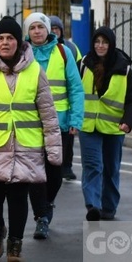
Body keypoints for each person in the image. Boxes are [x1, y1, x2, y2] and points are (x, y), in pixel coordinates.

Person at [0, 16, 62, 262]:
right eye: (0, 38)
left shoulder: (35, 71)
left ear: (18, 43)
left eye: (10, 38)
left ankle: (15, 243)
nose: (5, 43)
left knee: (19, 198)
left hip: (26, 147)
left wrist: (53, 150)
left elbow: (48, 114)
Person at [22, 13, 84, 241]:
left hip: (61, 124)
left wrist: (75, 120)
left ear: (48, 30)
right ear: (27, 32)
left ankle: (47, 204)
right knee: (35, 174)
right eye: (32, 27)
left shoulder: (63, 52)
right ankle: (42, 218)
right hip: (30, 124)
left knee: (55, 174)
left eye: (41, 27)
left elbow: (76, 89)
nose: (37, 31)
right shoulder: (23, 55)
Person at [78, 26, 132, 221]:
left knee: (111, 168)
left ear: (111, 44)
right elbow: (75, 93)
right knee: (92, 165)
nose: (100, 46)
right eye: (97, 42)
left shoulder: (124, 68)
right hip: (88, 126)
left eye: (104, 42)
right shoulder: (83, 64)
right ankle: (93, 206)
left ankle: (109, 207)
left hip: (114, 128)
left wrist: (127, 122)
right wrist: (73, 119)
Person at [49, 15, 82, 181]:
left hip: (65, 106)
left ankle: (67, 167)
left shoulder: (70, 49)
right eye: (52, 28)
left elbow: (78, 75)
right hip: (47, 108)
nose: (54, 31)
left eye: (57, 29)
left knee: (67, 142)